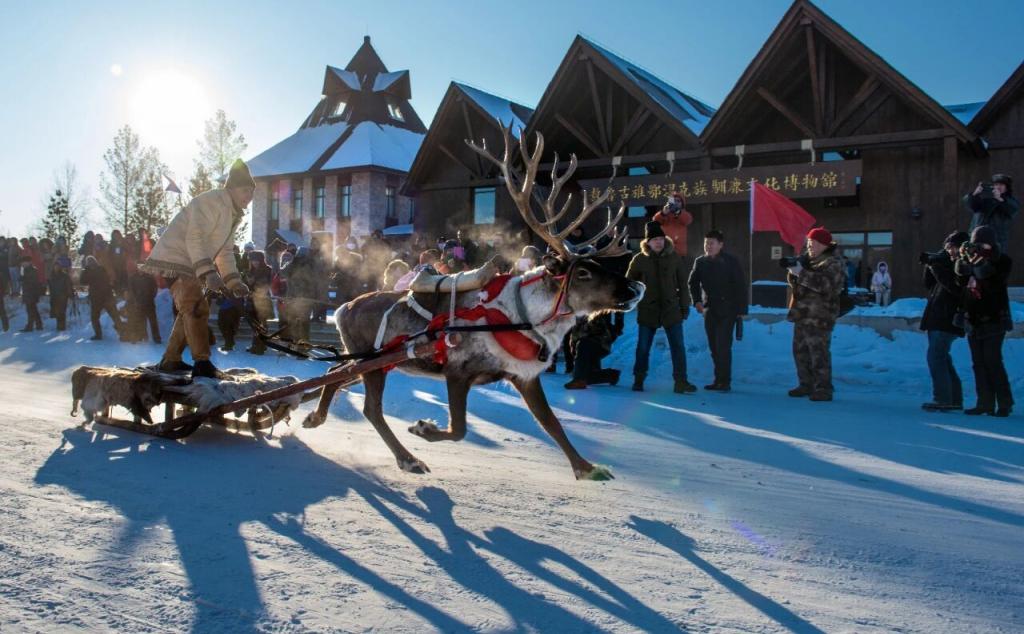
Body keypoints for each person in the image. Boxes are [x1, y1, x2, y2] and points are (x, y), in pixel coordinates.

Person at [139, 158, 253, 378]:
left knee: (188, 310)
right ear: (232, 188)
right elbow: (195, 237)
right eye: (245, 190)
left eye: (251, 191)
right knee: (196, 307)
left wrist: (233, 281)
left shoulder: (232, 213)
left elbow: (225, 252)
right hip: (175, 259)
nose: (249, 196)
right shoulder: (213, 201)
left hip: (190, 262)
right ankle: (202, 363)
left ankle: (171, 360)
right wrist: (208, 273)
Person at [626, 221, 694, 393]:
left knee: (678, 347)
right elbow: (629, 285)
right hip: (648, 310)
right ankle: (639, 380)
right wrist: (633, 302)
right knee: (643, 348)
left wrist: (684, 306)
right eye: (654, 239)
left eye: (661, 239)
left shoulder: (674, 257)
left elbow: (683, 284)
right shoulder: (640, 260)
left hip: (671, 309)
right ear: (647, 242)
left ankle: (681, 381)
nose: (658, 242)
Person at [955, 225, 1013, 417]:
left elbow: (992, 282)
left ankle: (1004, 402)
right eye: (975, 243)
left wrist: (977, 262)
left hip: (995, 318)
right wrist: (963, 259)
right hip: (974, 318)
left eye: (982, 243)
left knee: (993, 360)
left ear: (991, 243)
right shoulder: (972, 259)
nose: (978, 247)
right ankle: (984, 402)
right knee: (978, 362)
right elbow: (960, 280)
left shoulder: (1002, 261)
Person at [786, 227, 845, 402]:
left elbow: (826, 285)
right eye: (809, 243)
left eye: (814, 243)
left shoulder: (833, 262)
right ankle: (806, 384)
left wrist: (801, 273)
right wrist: (793, 273)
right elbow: (798, 286)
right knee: (800, 351)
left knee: (819, 353)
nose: (810, 246)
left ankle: (824, 388)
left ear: (824, 245)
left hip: (820, 316)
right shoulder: (807, 261)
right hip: (802, 313)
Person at [688, 230, 747, 391]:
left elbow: (741, 285)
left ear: (721, 245)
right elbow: (692, 283)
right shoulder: (700, 261)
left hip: (728, 309)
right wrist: (697, 301)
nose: (708, 246)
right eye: (706, 243)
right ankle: (718, 379)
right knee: (714, 347)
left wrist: (742, 309)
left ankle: (725, 381)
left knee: (723, 346)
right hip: (709, 309)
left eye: (712, 243)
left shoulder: (731, 261)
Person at [919, 231, 968, 412]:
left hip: (948, 319)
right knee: (943, 358)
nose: (948, 251)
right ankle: (954, 399)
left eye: (951, 247)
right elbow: (929, 284)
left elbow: (954, 287)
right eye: (946, 248)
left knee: (936, 357)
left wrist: (937, 266)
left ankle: (943, 398)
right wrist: (930, 265)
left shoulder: (962, 264)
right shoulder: (946, 264)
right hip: (937, 318)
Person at [964, 174, 1018, 253]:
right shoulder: (985, 199)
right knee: (974, 261)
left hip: (996, 240)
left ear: (1006, 187)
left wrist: (999, 199)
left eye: (1001, 185)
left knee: (994, 262)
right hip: (977, 238)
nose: (998, 187)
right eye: (996, 184)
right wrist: (974, 194)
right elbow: (971, 206)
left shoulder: (1010, 200)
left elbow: (1012, 209)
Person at [563, 314, 621, 389]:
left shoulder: (594, 312)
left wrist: (618, 326)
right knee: (587, 376)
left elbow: (594, 330)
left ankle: (579, 380)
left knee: (583, 343)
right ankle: (611, 375)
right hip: (586, 348)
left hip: (598, 343)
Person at [81, 255, 122, 340]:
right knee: (114, 316)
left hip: (101, 297)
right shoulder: (101, 269)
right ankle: (123, 333)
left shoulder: (96, 270)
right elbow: (83, 281)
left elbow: (83, 281)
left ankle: (99, 335)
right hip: (104, 296)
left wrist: (85, 271)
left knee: (98, 317)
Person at [244, 250, 274, 355]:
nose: (254, 262)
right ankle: (258, 344)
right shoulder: (250, 271)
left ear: (261, 260)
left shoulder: (267, 270)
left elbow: (267, 285)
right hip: (251, 300)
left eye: (257, 260)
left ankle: (260, 346)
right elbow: (248, 286)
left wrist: (254, 284)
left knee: (261, 323)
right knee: (254, 324)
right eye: (252, 260)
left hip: (263, 300)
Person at [652, 191, 694, 257]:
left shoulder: (684, 214)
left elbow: (688, 220)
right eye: (674, 201)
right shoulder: (665, 213)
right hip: (665, 250)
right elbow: (655, 221)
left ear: (682, 204)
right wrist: (663, 213)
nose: (676, 203)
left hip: (679, 252)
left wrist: (677, 211)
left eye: (678, 201)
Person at [125, 270, 161, 343]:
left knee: (153, 322)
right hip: (139, 303)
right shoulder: (133, 278)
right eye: (139, 265)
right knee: (139, 321)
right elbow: (131, 290)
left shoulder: (150, 277)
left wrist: (151, 297)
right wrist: (135, 300)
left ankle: (157, 338)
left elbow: (155, 288)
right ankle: (139, 337)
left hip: (149, 303)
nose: (140, 268)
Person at [48, 256, 74, 332]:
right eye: (55, 266)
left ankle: (61, 326)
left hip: (62, 296)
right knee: (56, 312)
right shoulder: (51, 276)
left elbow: (68, 285)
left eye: (58, 266)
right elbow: (50, 286)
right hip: (54, 296)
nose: (56, 268)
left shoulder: (64, 276)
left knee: (61, 312)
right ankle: (59, 325)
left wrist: (70, 294)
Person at [19, 256, 43, 332]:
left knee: (30, 310)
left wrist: (23, 279)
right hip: (28, 293)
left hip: (31, 293)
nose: (22, 264)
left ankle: (30, 326)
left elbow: (32, 282)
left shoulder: (32, 270)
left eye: (23, 262)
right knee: (33, 310)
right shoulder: (25, 270)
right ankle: (39, 325)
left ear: (28, 262)